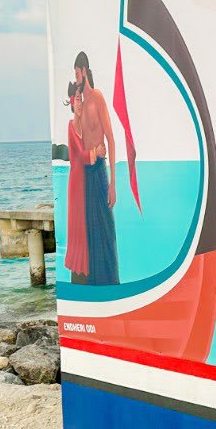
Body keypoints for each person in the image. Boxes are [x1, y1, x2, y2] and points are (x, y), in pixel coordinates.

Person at [72, 52, 120, 286]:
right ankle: (93, 283)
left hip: (100, 170)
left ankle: (110, 281)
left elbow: (110, 138)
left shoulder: (97, 97)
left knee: (105, 226)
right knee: (89, 227)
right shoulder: (81, 103)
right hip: (86, 172)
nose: (76, 78)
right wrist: (76, 108)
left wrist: (113, 183)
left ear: (84, 71)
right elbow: (78, 138)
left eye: (77, 74)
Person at [63, 82, 91, 282]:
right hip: (76, 182)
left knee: (85, 224)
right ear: (72, 102)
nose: (81, 104)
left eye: (83, 100)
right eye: (78, 100)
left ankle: (86, 268)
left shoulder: (86, 128)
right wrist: (96, 152)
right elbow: (80, 156)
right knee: (77, 225)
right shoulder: (71, 126)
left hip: (86, 181)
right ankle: (78, 268)